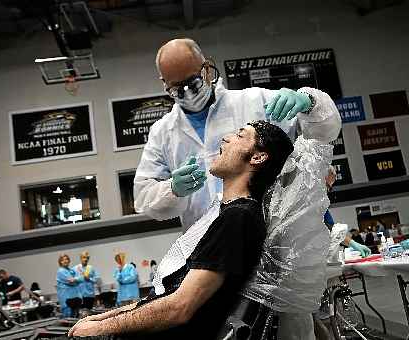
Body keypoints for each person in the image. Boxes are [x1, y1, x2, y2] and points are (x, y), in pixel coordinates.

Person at [67, 121, 294, 339]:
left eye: (239, 135)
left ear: (257, 157)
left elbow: (179, 307)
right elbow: (164, 295)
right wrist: (100, 319)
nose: (226, 137)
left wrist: (103, 328)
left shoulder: (239, 217)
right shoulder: (226, 214)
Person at [133, 38, 341, 232]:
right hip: (206, 246)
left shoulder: (254, 102)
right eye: (177, 90)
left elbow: (321, 135)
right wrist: (172, 189)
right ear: (165, 84)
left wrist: (309, 102)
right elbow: (143, 197)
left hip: (269, 236)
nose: (188, 94)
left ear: (206, 69)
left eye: (193, 83)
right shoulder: (162, 133)